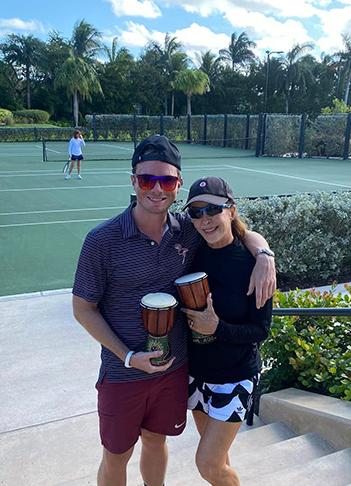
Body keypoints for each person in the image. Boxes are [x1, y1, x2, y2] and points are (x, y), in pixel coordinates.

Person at [72, 135, 276, 486]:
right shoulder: (102, 241)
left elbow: (237, 233)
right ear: (133, 181)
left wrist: (264, 255)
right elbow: (82, 309)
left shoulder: (188, 231)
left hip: (176, 370)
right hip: (125, 374)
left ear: (178, 184)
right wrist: (127, 357)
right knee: (116, 455)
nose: (156, 189)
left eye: (166, 181)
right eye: (146, 179)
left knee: (162, 444)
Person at [181, 176, 272, 486]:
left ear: (231, 211)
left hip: (234, 377)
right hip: (196, 375)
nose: (204, 219)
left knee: (207, 464)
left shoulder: (254, 265)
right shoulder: (192, 252)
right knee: (218, 462)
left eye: (213, 210)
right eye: (196, 213)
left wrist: (216, 327)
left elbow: (260, 330)